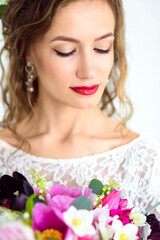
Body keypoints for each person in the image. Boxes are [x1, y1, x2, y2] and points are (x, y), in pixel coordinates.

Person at [0, 0, 159, 218]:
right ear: (27, 50)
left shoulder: (145, 164)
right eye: (66, 51)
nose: (88, 71)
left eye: (102, 48)